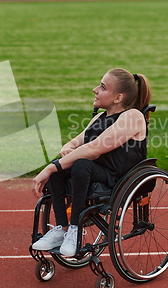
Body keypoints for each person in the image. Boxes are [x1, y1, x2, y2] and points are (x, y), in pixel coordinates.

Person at [31, 68, 152, 257]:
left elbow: (94, 149)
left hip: (117, 179)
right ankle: (62, 229)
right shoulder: (99, 117)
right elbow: (76, 142)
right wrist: (67, 150)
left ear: (118, 98)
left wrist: (50, 167)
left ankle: (75, 230)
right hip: (93, 172)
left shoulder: (133, 116)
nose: (95, 90)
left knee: (78, 163)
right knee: (61, 168)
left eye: (103, 87)